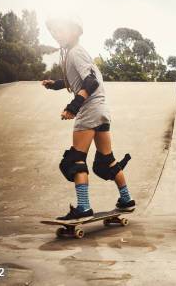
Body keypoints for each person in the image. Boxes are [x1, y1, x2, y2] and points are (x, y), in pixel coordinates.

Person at [42, 17, 135, 221]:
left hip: (89, 109)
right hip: (101, 110)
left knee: (75, 160)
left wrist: (73, 106)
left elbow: (90, 81)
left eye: (61, 30)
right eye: (54, 32)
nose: (57, 35)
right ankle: (126, 200)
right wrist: (55, 84)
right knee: (106, 161)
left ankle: (83, 207)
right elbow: (76, 80)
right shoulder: (74, 53)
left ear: (75, 31)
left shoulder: (75, 52)